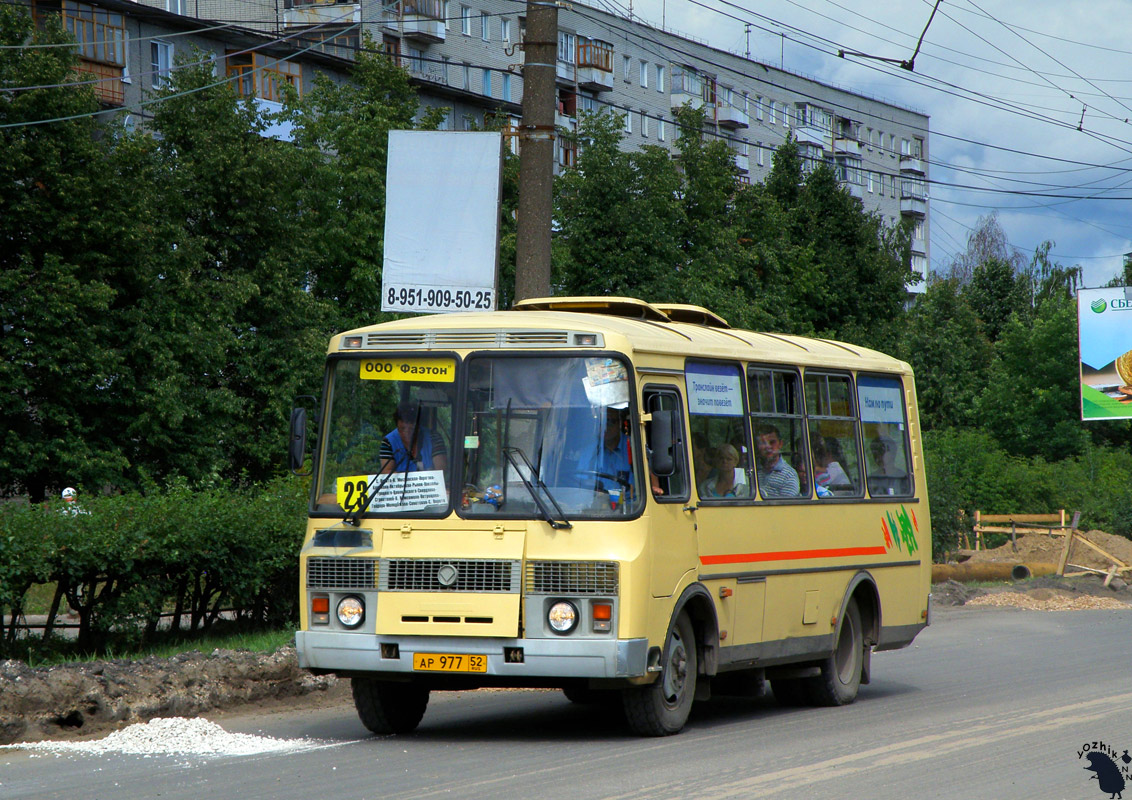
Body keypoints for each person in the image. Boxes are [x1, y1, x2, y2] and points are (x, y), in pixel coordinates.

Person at [379, 401, 448, 474]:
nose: (407, 433)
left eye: (411, 429)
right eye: (402, 429)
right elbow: (386, 472)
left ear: (419, 427)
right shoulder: (388, 442)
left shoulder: (434, 438)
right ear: (397, 426)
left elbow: (441, 471)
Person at [755, 423, 800, 498]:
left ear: (780, 444)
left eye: (772, 442)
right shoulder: (754, 471)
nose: (768, 447)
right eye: (763, 443)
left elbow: (789, 507)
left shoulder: (789, 475)